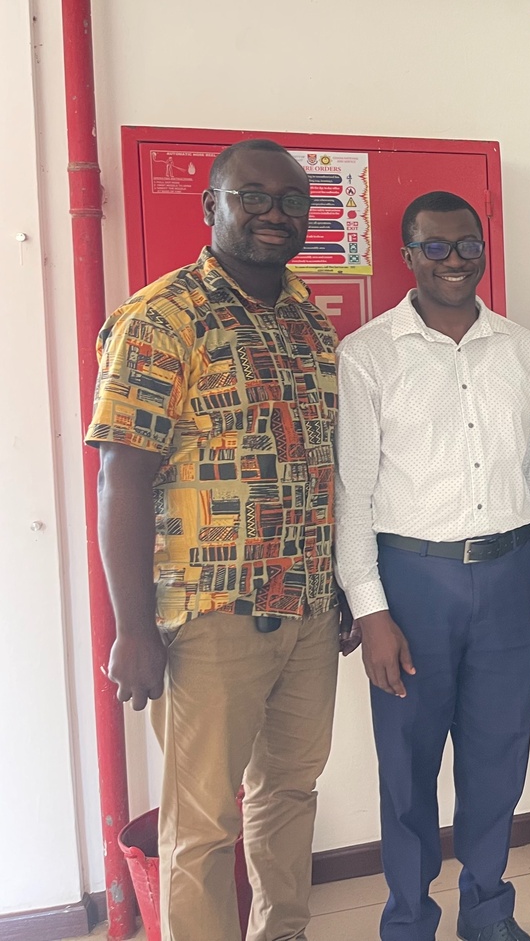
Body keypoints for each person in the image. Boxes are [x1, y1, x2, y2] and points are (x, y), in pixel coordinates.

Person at [89, 139, 350, 941]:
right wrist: (133, 627)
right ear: (212, 206)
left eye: (293, 201)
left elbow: (318, 463)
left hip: (306, 606)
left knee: (289, 791)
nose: (276, 213)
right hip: (209, 617)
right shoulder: (161, 317)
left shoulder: (308, 317)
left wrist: (337, 582)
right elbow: (120, 479)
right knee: (202, 823)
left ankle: (282, 933)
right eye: (253, 196)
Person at [335, 192, 530, 941]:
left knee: (498, 756)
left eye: (467, 246)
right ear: (408, 256)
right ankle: (408, 919)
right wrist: (371, 610)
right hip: (412, 585)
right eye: (435, 247)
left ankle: (486, 911)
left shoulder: (523, 349)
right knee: (407, 763)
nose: (454, 260)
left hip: (510, 575)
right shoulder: (367, 354)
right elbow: (352, 495)